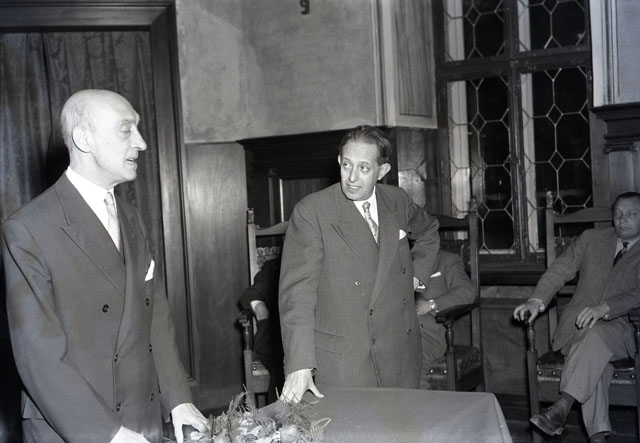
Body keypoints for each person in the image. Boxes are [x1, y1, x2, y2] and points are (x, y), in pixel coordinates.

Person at [2, 89, 209, 443]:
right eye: (127, 130)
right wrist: (108, 434)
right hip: (76, 427)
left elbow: (153, 316)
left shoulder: (131, 216)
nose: (141, 143)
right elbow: (38, 356)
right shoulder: (27, 228)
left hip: (141, 419)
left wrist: (177, 399)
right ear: (84, 139)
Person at [278, 125, 440, 403]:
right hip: (347, 361)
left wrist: (415, 276)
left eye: (363, 168)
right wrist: (299, 364)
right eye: (346, 165)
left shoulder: (397, 200)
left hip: (401, 354)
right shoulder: (313, 211)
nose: (352, 178)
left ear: (382, 171)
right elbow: (297, 294)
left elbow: (429, 231)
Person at [513, 191, 640, 443]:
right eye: (617, 214)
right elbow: (560, 270)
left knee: (595, 340)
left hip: (623, 332)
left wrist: (605, 307)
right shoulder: (591, 239)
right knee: (596, 361)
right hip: (575, 331)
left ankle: (562, 405)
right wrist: (536, 300)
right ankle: (596, 437)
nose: (622, 220)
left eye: (631, 214)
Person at [415, 249, 475, 389]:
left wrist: (431, 304)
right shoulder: (398, 259)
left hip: (428, 334)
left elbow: (466, 291)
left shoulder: (447, 260)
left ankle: (421, 401)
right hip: (397, 330)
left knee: (413, 361)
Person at [239, 256, 285, 402]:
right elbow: (249, 294)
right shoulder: (273, 267)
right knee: (281, 361)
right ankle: (280, 411)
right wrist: (260, 308)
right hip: (276, 338)